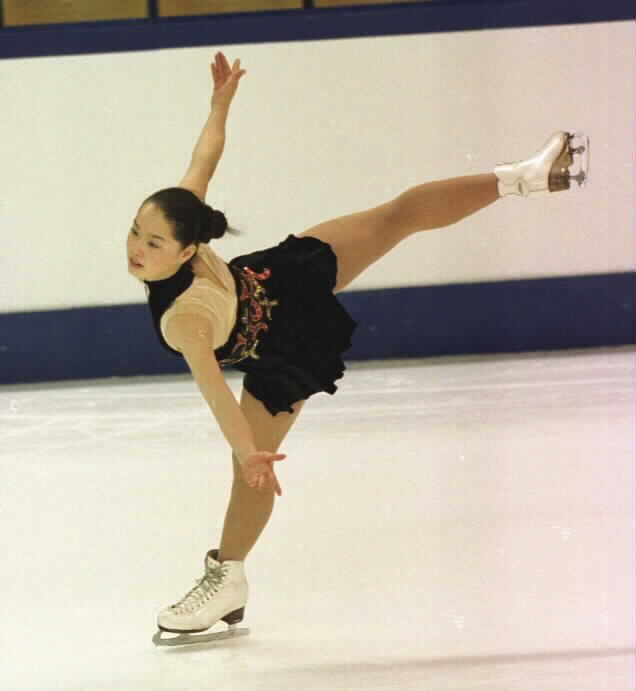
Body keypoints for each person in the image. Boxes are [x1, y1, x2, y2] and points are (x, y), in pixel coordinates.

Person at [129, 53, 588, 646]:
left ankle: (527, 175)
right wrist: (219, 105)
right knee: (252, 474)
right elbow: (203, 163)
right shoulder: (183, 271)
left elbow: (213, 386)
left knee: (396, 214)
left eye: (153, 239)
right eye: (137, 235)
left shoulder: (184, 272)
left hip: (281, 309)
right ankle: (229, 580)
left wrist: (248, 451)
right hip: (281, 313)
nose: (138, 248)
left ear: (190, 248)